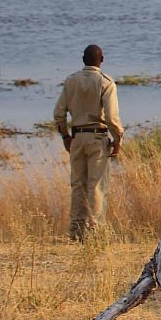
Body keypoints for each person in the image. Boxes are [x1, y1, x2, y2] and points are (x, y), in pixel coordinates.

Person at [53, 44, 123, 240]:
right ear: (102, 60)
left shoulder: (71, 81)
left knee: (78, 185)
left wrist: (66, 136)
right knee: (97, 186)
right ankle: (95, 232)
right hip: (97, 138)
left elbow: (59, 113)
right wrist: (117, 139)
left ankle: (76, 231)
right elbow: (111, 117)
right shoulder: (106, 82)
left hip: (77, 137)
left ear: (83, 60)